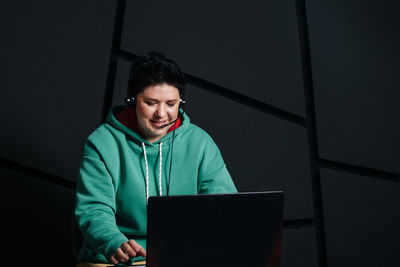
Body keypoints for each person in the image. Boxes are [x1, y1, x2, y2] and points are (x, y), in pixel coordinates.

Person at [74, 51, 237, 266]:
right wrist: (113, 242)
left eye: (171, 104)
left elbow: (225, 206)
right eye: (151, 103)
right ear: (132, 101)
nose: (162, 114)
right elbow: (95, 209)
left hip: (183, 258)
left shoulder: (200, 142)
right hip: (116, 261)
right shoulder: (102, 143)